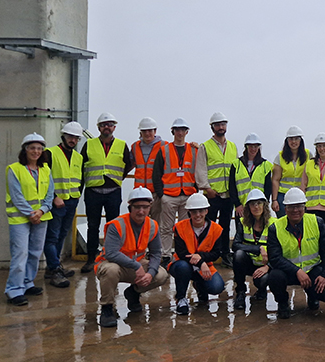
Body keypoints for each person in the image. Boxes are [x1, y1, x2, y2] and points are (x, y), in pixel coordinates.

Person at [95, 187, 170, 327]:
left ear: (150, 207)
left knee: (161, 275)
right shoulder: (117, 225)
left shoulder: (152, 225)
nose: (141, 211)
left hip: (137, 265)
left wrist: (150, 273)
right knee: (110, 270)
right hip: (114, 264)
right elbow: (110, 253)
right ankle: (107, 308)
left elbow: (155, 253)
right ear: (130, 207)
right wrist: (136, 266)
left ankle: (133, 293)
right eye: (137, 207)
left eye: (145, 207)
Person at [266, 188, 325, 318]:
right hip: (289, 272)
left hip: (312, 269)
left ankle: (312, 296)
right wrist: (297, 271)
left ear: (305, 207)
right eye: (291, 207)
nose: (295, 210)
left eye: (299, 206)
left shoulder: (317, 222)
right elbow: (275, 258)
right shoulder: (275, 228)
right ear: (285, 209)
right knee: (275, 277)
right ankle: (283, 303)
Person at [5, 133, 54, 306]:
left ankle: (27, 283)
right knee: (20, 253)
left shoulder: (46, 169)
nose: (36, 151)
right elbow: (16, 195)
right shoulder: (14, 169)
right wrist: (31, 213)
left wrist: (41, 211)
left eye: (39, 148)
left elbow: (50, 195)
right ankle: (14, 290)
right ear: (25, 150)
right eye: (32, 148)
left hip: (41, 217)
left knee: (34, 252)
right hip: (20, 218)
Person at [80, 112, 133, 273]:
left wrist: (117, 178)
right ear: (99, 127)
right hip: (93, 191)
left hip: (113, 192)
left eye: (110, 124)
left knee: (113, 227)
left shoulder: (121, 145)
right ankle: (91, 259)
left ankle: (113, 257)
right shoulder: (89, 144)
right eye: (103, 125)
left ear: (114, 127)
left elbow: (128, 164)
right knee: (93, 226)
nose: (107, 127)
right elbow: (81, 167)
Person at [169, 192, 226, 315]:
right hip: (182, 264)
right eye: (194, 211)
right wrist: (201, 263)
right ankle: (181, 299)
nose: (197, 215)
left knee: (217, 287)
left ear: (206, 211)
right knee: (183, 268)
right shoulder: (179, 227)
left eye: (201, 211)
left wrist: (201, 258)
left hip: (205, 266)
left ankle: (200, 286)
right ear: (189, 212)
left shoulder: (216, 230)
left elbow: (216, 253)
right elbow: (181, 252)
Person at [195, 112, 239, 268]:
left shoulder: (233, 146)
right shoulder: (205, 147)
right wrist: (206, 187)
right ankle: (208, 254)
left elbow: (236, 169)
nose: (221, 127)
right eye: (217, 125)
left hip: (228, 195)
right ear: (212, 127)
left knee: (225, 225)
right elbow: (201, 169)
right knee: (210, 225)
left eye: (223, 124)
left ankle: (225, 253)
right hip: (212, 194)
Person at [152, 118, 197, 264]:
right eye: (177, 130)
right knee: (166, 228)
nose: (180, 132)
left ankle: (182, 254)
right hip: (169, 196)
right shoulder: (164, 150)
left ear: (186, 132)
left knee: (185, 229)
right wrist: (161, 194)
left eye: (182, 130)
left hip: (188, 196)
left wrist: (195, 192)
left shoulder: (194, 150)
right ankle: (166, 255)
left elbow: (199, 172)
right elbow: (156, 173)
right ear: (173, 131)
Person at [43, 121, 83, 288]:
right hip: (56, 202)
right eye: (70, 136)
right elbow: (43, 179)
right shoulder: (50, 154)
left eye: (75, 137)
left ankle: (54, 266)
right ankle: (54, 268)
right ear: (63, 136)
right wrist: (53, 197)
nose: (72, 139)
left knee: (61, 235)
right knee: (52, 237)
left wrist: (77, 196)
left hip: (71, 201)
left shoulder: (78, 157)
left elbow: (80, 180)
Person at [232, 189, 274, 308]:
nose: (256, 207)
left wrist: (268, 266)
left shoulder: (273, 224)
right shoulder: (243, 223)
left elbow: (279, 250)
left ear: (264, 205)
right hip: (249, 263)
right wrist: (258, 248)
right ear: (248, 207)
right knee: (238, 255)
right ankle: (240, 292)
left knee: (262, 280)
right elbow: (235, 245)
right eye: (252, 204)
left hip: (266, 265)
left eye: (259, 203)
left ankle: (262, 290)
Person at [131, 117, 165, 222]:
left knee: (157, 223)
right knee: (139, 222)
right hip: (139, 193)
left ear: (155, 131)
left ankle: (154, 239)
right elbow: (129, 164)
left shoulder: (164, 146)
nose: (147, 133)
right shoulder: (135, 146)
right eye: (144, 131)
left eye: (150, 130)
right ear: (140, 132)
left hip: (156, 192)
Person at [271, 126, 310, 215]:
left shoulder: (308, 155)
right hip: (283, 196)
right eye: (291, 139)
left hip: (301, 195)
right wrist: (274, 200)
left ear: (301, 140)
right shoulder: (280, 157)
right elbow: (275, 180)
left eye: (296, 139)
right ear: (287, 141)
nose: (293, 142)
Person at [230, 133, 274, 205]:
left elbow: (268, 188)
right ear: (246, 147)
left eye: (255, 146)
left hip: (259, 206)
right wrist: (237, 204)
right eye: (250, 146)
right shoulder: (236, 164)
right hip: (241, 207)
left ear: (259, 147)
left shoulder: (266, 165)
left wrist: (265, 204)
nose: (253, 149)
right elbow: (232, 186)